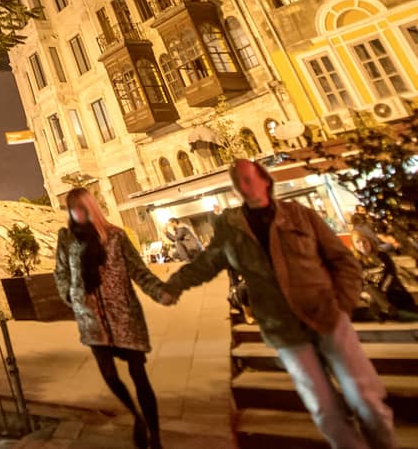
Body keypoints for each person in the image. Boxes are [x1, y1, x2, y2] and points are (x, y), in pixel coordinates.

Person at [166, 159, 394, 449]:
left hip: (326, 315)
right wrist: (172, 286)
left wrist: (343, 305)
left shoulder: (299, 215)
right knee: (325, 411)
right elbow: (206, 263)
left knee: (365, 400)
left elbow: (343, 260)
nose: (244, 186)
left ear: (266, 180)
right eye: (238, 182)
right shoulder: (231, 227)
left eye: (249, 178)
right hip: (284, 330)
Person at [55, 187, 172, 449]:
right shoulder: (67, 239)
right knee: (108, 374)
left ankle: (155, 436)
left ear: (90, 208)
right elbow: (61, 273)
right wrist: (70, 296)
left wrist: (159, 291)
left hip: (123, 315)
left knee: (138, 375)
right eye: (71, 208)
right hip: (91, 319)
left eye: (80, 207)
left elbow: (139, 272)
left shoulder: (116, 237)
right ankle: (137, 416)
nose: (76, 212)